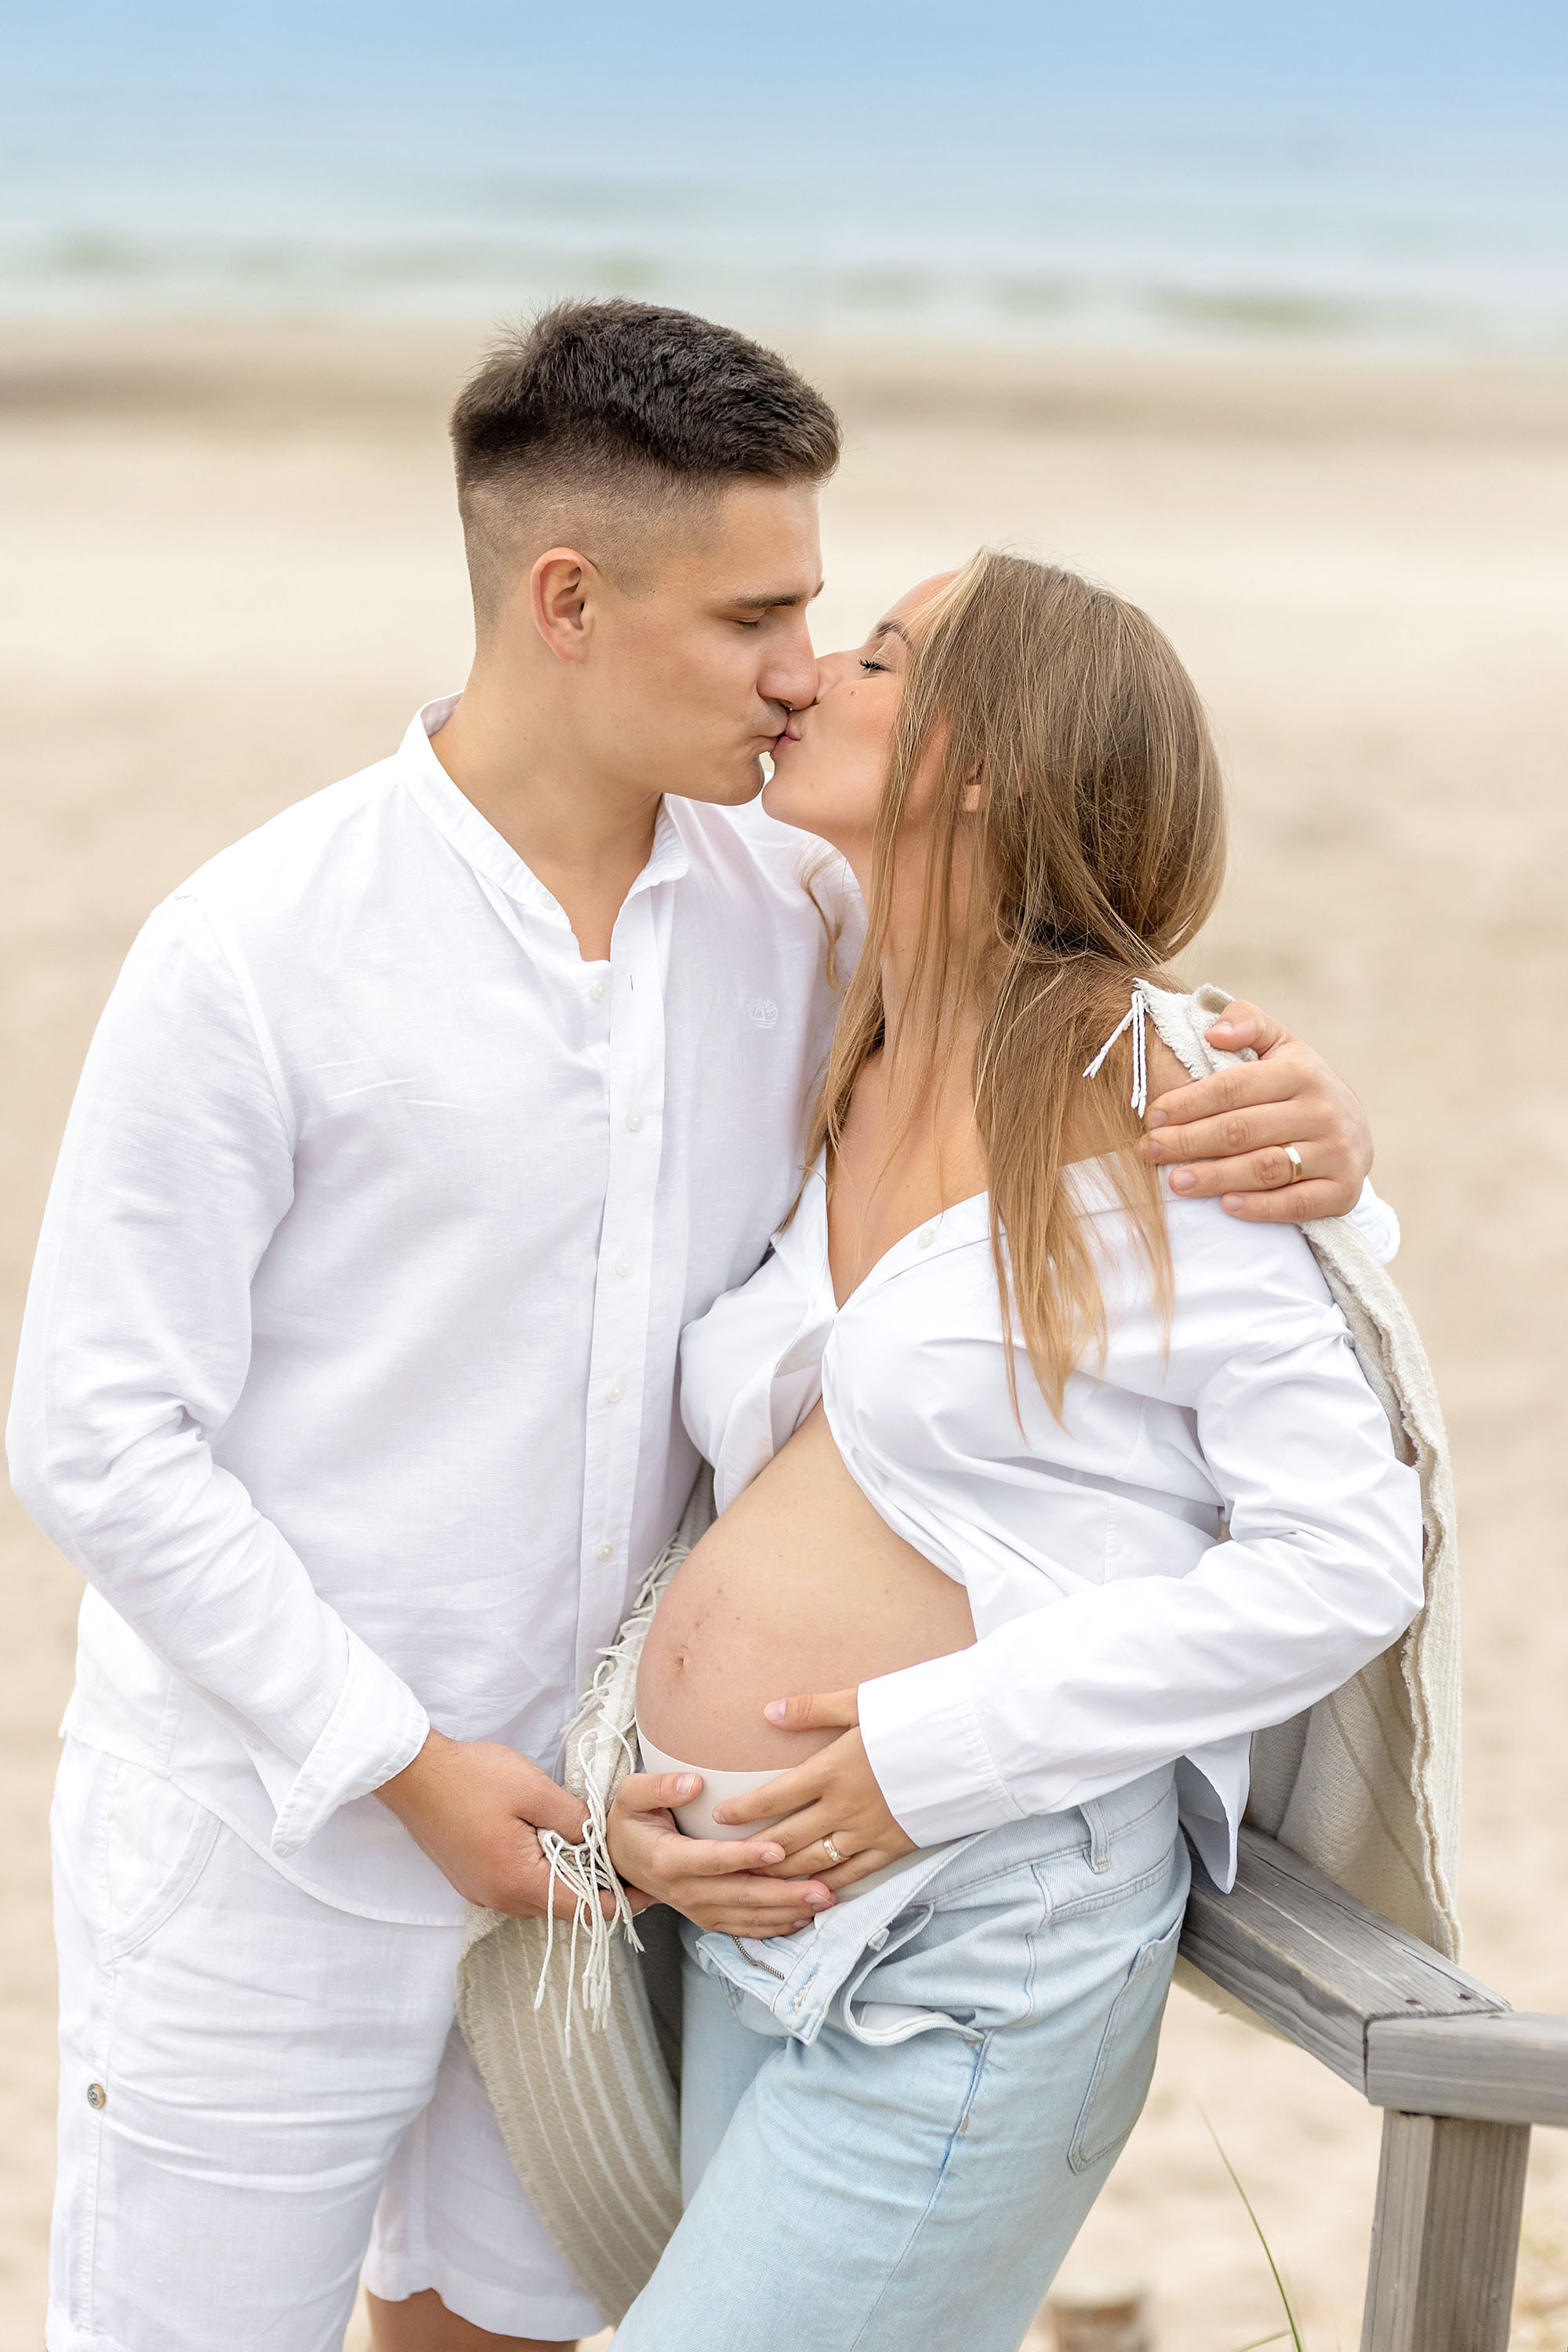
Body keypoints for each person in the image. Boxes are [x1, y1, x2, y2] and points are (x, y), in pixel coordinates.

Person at [9, 302, 1382, 2352]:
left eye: (827, 617)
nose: (799, 667)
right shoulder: (257, 951)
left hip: (626, 1873)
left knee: (493, 2329)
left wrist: (1323, 1141)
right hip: (274, 1838)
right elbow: (94, 1436)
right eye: (758, 614)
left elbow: (1064, 1005)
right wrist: (399, 1761)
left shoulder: (803, 911)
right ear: (566, 599)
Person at [605, 554, 1424, 2349]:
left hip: (976, 1922)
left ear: (982, 760)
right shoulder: (842, 1031)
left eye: (879, 653)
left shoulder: (1168, 1097)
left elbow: (1345, 1556)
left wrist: (932, 1748)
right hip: (754, 1903)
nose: (811, 672)